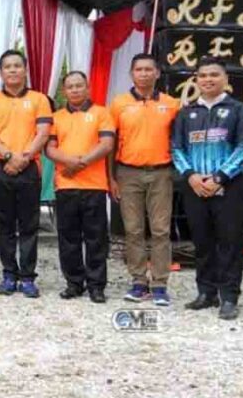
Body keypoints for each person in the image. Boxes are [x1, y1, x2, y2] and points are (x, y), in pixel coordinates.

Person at [170, 58, 243, 320]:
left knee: (230, 243)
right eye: (203, 75)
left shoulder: (239, 110)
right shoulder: (186, 113)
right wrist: (192, 176)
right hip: (194, 188)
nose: (208, 79)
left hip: (229, 188)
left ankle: (229, 297)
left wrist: (218, 178)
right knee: (202, 241)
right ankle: (206, 293)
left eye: (214, 75)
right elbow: (176, 149)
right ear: (196, 79)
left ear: (225, 79)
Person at [108, 53, 181, 306]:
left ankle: (160, 284)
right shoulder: (119, 104)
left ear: (157, 73)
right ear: (131, 74)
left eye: (149, 69)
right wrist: (111, 177)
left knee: (161, 230)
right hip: (128, 173)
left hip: (161, 172)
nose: (144, 74)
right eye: (138, 69)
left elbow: (179, 139)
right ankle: (139, 281)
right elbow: (110, 143)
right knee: (133, 229)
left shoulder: (172, 104)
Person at [0, 50, 52, 297]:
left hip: (29, 167)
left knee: (29, 224)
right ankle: (9, 274)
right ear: (1, 72)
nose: (12, 70)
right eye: (7, 67)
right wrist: (9, 156)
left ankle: (28, 277)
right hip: (1, 167)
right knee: (4, 224)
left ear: (25, 70)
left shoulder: (39, 99)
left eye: (17, 66)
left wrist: (23, 158)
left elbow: (43, 132)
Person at [45, 71, 114, 304]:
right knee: (68, 237)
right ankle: (74, 283)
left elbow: (106, 144)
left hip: (94, 185)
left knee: (96, 238)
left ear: (88, 88)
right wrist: (69, 163)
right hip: (65, 185)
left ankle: (96, 285)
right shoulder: (56, 117)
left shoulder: (102, 113)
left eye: (79, 85)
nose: (75, 90)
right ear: (64, 91)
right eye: (70, 87)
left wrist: (79, 163)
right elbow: (50, 149)